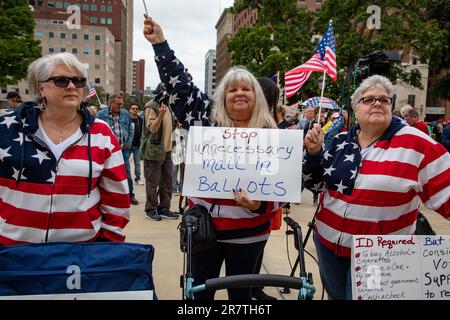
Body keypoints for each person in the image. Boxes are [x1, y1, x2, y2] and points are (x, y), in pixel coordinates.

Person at [143, 14, 282, 300]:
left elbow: (283, 185)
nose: (239, 93)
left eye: (246, 88)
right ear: (222, 97)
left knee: (241, 298)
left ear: (256, 96)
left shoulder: (272, 132)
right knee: (197, 297)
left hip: (250, 233)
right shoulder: (206, 119)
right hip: (204, 229)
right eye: (232, 89)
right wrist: (161, 46)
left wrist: (259, 204)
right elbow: (180, 88)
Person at [303, 75, 450, 300]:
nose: (377, 103)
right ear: (355, 108)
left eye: (384, 99)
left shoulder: (418, 146)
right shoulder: (340, 140)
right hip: (327, 246)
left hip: (379, 258)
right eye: (369, 99)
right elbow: (317, 184)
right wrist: (313, 154)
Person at [0, 52, 130, 245]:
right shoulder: (6, 128)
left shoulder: (101, 133)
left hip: (78, 255)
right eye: (61, 80)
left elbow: (117, 201)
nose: (71, 86)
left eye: (78, 81)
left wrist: (105, 247)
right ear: (40, 87)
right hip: (12, 254)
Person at [141, 91, 178, 221]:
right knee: (153, 182)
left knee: (167, 181)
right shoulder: (151, 107)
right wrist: (161, 115)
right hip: (154, 150)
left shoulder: (170, 106)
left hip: (167, 150)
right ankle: (150, 209)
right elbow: (152, 128)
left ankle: (164, 208)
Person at [97, 95, 138, 205]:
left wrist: (128, 143)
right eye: (118, 104)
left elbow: (130, 128)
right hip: (108, 151)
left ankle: (130, 195)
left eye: (121, 104)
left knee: (127, 173)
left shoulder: (125, 114)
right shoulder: (101, 115)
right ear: (111, 103)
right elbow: (96, 129)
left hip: (123, 150)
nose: (121, 106)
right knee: (107, 174)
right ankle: (108, 197)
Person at [129, 103, 144, 186]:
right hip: (128, 145)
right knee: (125, 163)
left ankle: (138, 178)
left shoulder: (140, 120)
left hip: (137, 146)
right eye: (133, 108)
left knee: (137, 163)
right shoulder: (127, 119)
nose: (135, 110)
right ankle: (126, 179)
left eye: (136, 108)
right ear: (130, 110)